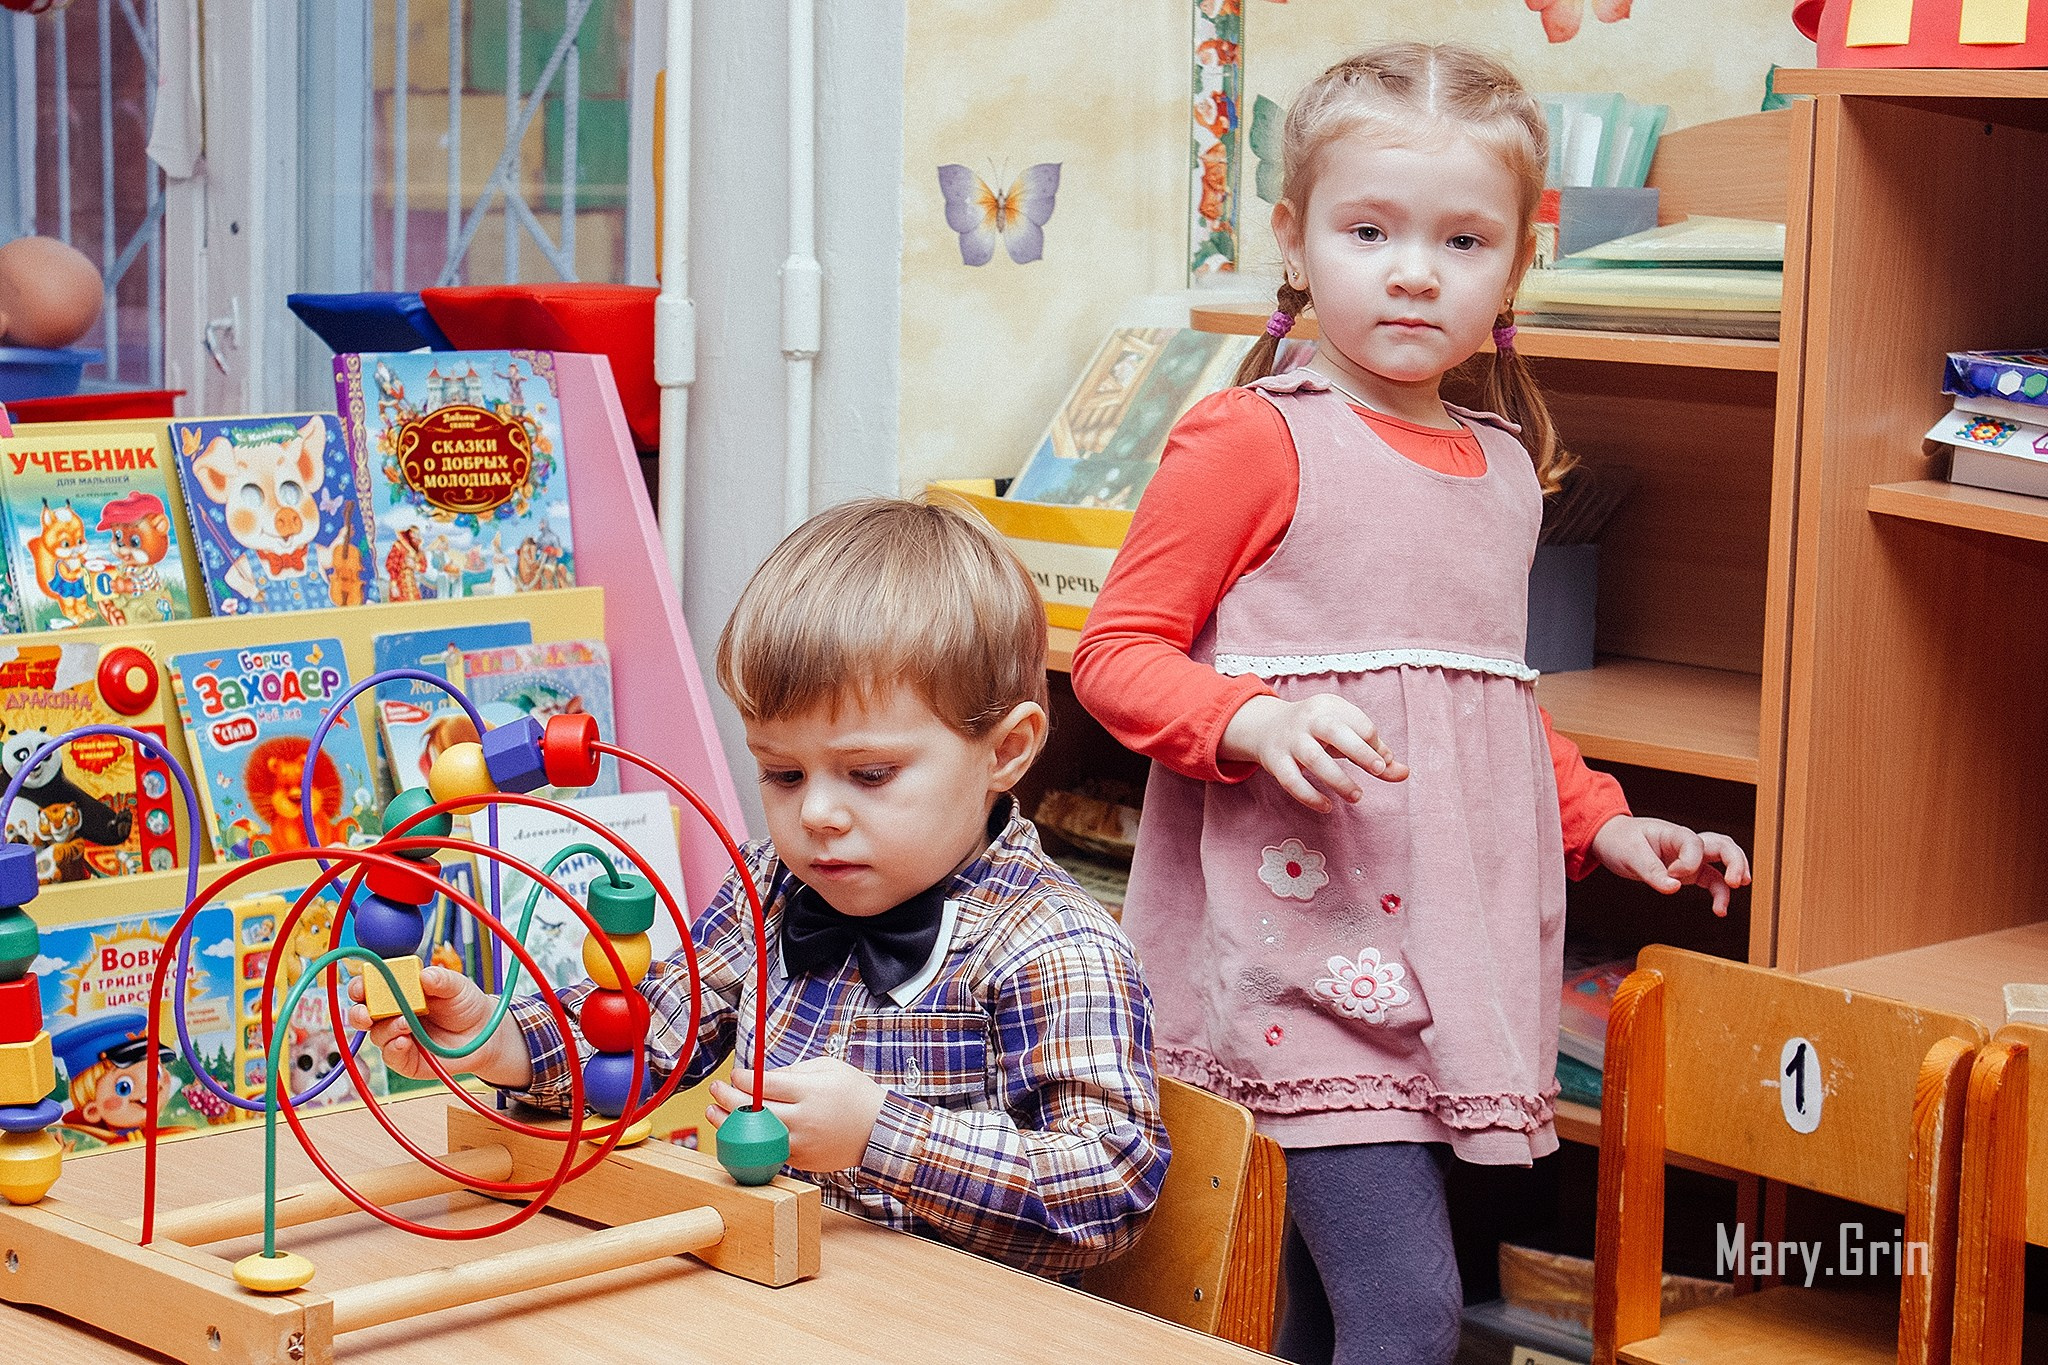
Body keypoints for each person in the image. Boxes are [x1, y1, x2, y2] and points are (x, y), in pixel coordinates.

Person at [1070, 42, 1751, 1365]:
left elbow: (1484, 706)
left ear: (1516, 261)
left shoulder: (1504, 467)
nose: (1414, 269)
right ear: (1295, 235)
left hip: (1438, 955)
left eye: (1463, 237)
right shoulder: (1251, 439)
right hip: (1295, 949)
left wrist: (1605, 823)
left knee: (1325, 1306)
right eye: (1369, 229)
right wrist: (1251, 718)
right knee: (1411, 1308)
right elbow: (1118, 656)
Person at [351, 496, 1168, 1278]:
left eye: (869, 773)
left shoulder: (1057, 946)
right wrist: (507, 1045)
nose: (815, 813)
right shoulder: (769, 888)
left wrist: (879, 1132)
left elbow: (1108, 1190)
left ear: (1006, 749)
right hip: (774, 1296)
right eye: (781, 772)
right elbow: (649, 1031)